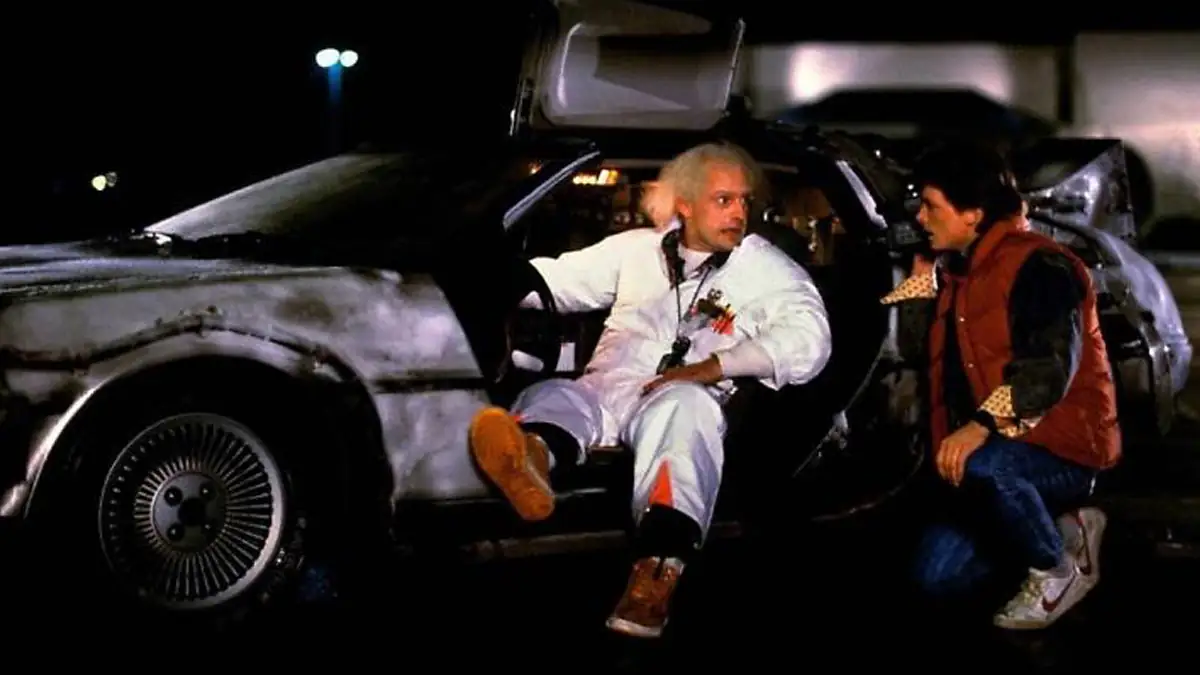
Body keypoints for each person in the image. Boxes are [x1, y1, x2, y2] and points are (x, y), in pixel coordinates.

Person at [467, 142, 832, 638]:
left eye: (744, 201)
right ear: (685, 204)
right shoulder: (637, 249)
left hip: (678, 401)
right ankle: (531, 459)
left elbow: (810, 340)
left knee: (682, 414)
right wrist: (476, 277)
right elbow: (554, 281)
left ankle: (657, 571)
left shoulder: (766, 269)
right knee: (555, 396)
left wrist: (713, 367)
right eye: (723, 200)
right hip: (607, 387)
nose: (739, 213)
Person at [881, 141, 1120, 630]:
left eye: (931, 206)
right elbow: (921, 354)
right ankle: (1059, 528)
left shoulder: (1041, 266)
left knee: (989, 469)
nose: (920, 217)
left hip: (1059, 450)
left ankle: (1059, 570)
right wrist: (921, 287)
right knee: (934, 578)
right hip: (991, 455)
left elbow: (1046, 373)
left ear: (973, 213)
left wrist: (979, 426)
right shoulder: (959, 270)